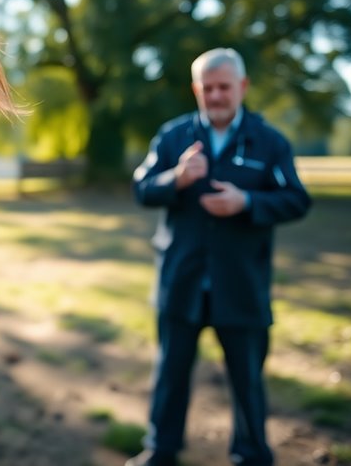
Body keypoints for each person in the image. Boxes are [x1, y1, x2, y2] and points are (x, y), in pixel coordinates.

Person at [129, 48, 311, 466]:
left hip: (241, 284)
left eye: (223, 87)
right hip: (182, 280)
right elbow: (142, 188)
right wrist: (176, 177)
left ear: (242, 87)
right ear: (196, 89)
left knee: (247, 378)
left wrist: (247, 201)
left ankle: (251, 454)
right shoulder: (173, 137)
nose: (215, 96)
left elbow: (296, 199)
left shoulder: (270, 142)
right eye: (206, 88)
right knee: (170, 374)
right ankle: (161, 450)